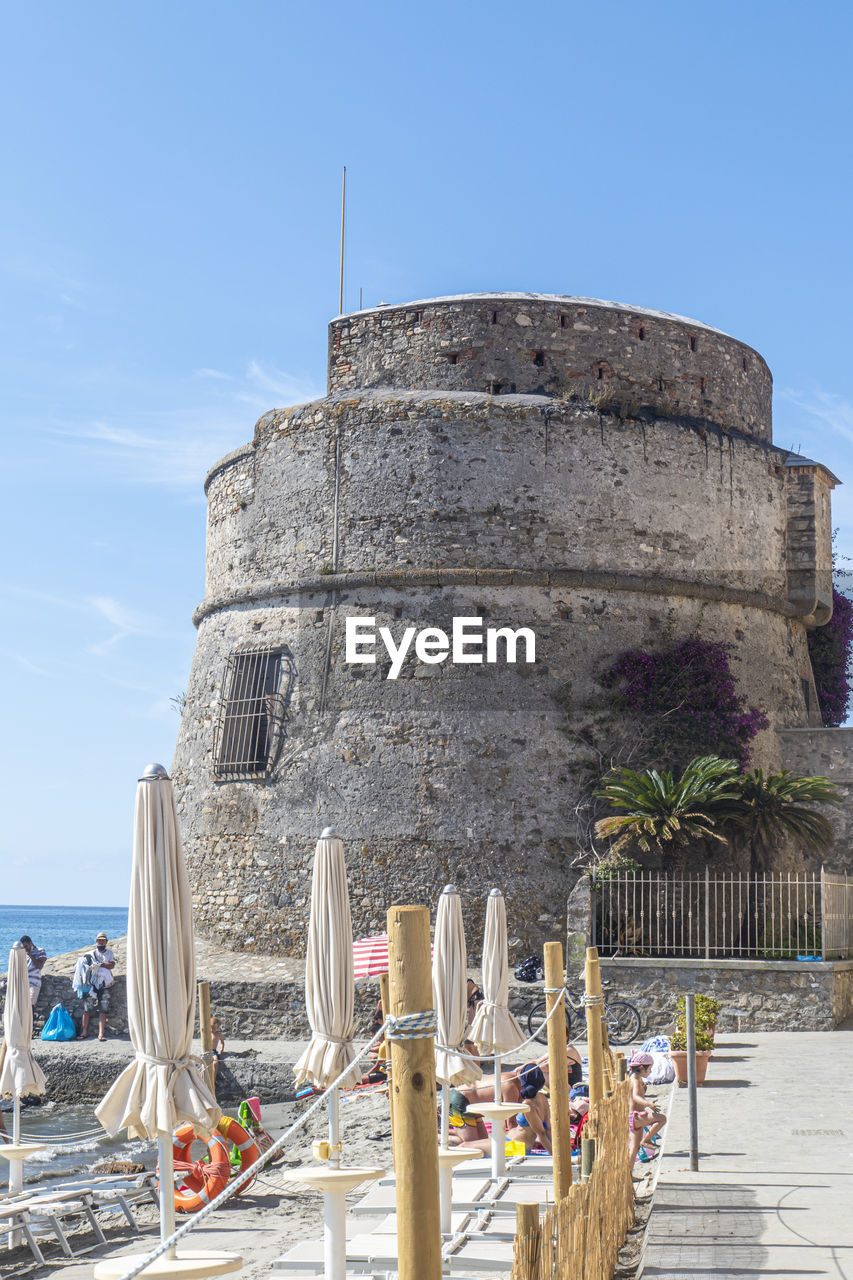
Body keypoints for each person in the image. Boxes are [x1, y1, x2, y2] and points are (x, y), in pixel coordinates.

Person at [627, 1052, 667, 1165]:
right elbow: (635, 1097)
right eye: (649, 1069)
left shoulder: (637, 1079)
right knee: (662, 1118)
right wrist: (648, 1103)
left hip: (634, 1118)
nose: (650, 1071)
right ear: (641, 1068)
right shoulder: (635, 1081)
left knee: (634, 1149)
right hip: (635, 1117)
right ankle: (647, 1139)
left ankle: (629, 1175)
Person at [80, 933, 115, 1041]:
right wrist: (102, 964)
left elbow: (112, 965)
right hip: (91, 984)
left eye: (103, 941)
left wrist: (100, 964)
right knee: (87, 1008)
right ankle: (84, 1031)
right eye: (99, 940)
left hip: (104, 985)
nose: (101, 942)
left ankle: (101, 1033)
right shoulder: (91, 954)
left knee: (103, 1009)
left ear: (106, 942)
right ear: (96, 942)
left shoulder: (109, 953)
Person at [20, 936, 46, 1008]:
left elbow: (39, 966)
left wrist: (31, 955)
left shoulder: (40, 951)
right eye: (23, 947)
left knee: (30, 1006)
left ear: (31, 943)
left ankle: (30, 1019)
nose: (25, 948)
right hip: (23, 984)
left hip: (34, 984)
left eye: (26, 946)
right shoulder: (23, 953)